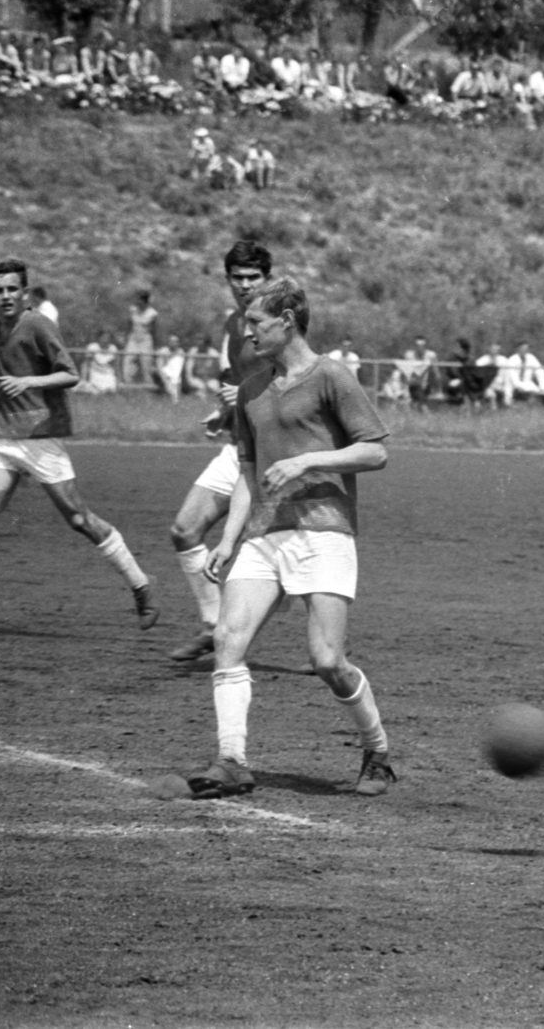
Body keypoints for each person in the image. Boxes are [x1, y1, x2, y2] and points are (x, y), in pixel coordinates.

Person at [181, 275, 396, 800]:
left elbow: (375, 452)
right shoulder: (252, 390)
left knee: (327, 661)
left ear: (287, 321)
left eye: (255, 322)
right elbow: (248, 474)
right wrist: (229, 539)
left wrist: (307, 459)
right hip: (263, 534)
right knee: (229, 641)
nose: (246, 331)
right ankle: (231, 761)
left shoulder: (332, 377)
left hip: (324, 530)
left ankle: (377, 750)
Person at [0, 259, 158, 634]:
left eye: (12, 289)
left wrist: (28, 382)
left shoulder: (38, 323)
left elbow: (71, 374)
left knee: (80, 520)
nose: (5, 296)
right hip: (2, 437)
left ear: (25, 292)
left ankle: (141, 585)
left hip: (41, 439)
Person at [167, 240, 272, 663]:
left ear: (268, 278)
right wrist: (222, 412)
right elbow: (239, 386)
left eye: (254, 278)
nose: (245, 285)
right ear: (227, 280)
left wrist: (242, 396)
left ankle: (330, 644)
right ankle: (212, 625)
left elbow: (293, 385)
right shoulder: (234, 324)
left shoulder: (284, 322)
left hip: (276, 456)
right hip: (239, 447)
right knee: (185, 530)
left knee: (284, 553)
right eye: (238, 278)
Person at [126, 290, 159, 385]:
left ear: (144, 301)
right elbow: (128, 325)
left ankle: (148, 384)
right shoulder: (133, 310)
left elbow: (154, 330)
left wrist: (155, 346)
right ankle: (128, 383)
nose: (136, 301)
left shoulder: (152, 313)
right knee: (128, 360)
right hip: (133, 338)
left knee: (146, 363)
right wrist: (126, 339)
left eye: (139, 299)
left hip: (145, 339)